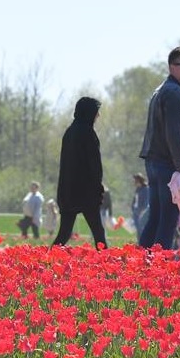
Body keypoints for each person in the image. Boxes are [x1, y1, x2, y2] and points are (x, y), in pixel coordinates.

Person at [138, 47, 180, 249]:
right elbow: (174, 133)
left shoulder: (162, 89)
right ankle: (160, 268)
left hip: (154, 162)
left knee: (156, 217)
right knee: (168, 219)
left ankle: (140, 264)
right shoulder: (174, 93)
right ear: (172, 67)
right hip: (168, 164)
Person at [53, 97, 107, 248]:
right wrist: (98, 188)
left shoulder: (70, 132)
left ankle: (45, 262)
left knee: (64, 233)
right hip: (86, 192)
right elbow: (94, 165)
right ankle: (107, 265)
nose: (98, 116)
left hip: (68, 191)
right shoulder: (88, 133)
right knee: (98, 233)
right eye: (96, 112)